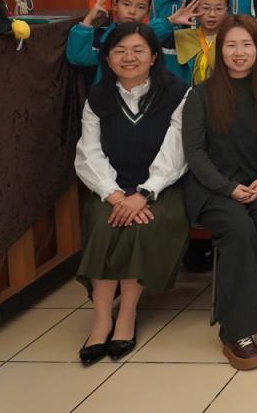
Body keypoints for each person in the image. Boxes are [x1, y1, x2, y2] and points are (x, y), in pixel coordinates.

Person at [74, 23, 190, 366]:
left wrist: (144, 193)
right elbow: (89, 152)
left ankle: (126, 314)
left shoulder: (178, 93)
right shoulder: (98, 98)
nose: (129, 57)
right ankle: (101, 320)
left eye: (138, 50)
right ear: (108, 59)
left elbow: (176, 152)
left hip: (162, 187)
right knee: (103, 223)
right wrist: (113, 195)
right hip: (111, 188)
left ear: (153, 57)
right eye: (120, 51)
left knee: (142, 225)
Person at [181, 15, 257, 370]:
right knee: (240, 230)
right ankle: (236, 331)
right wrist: (227, 188)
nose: (239, 52)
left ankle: (243, 303)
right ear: (219, 50)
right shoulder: (200, 95)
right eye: (231, 45)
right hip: (213, 189)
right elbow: (194, 153)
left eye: (247, 44)